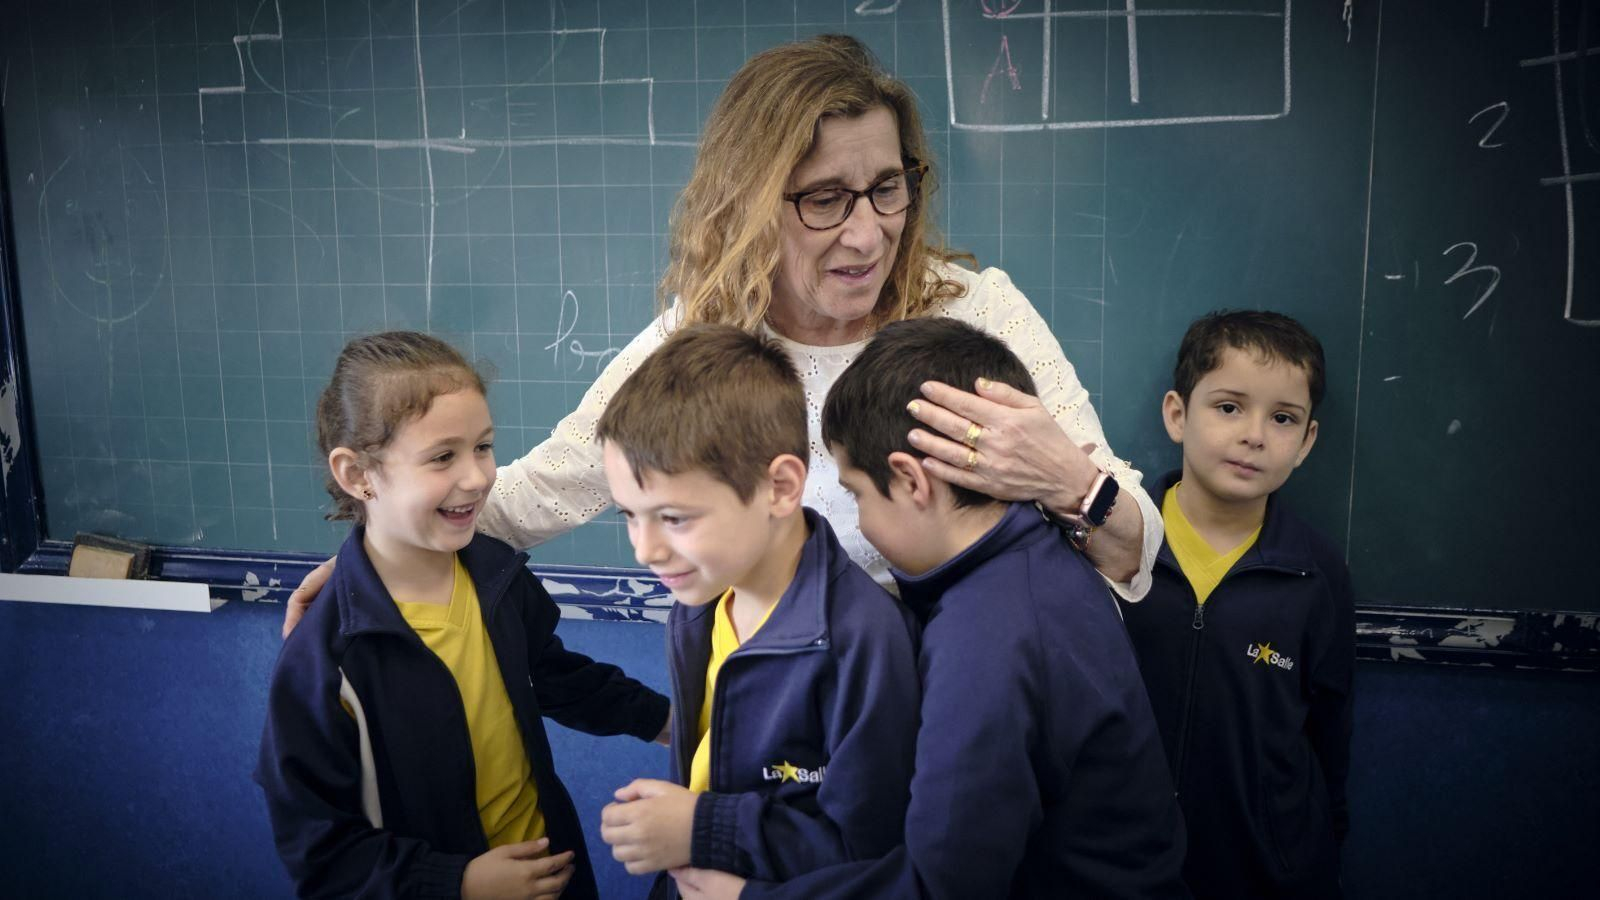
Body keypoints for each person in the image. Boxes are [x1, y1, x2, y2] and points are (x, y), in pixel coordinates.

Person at [282, 33, 1159, 634]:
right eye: (823, 199)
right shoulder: (703, 340)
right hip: (790, 721)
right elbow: (528, 500)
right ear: (750, 199)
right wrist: (374, 561)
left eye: (888, 187)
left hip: (976, 704)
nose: (867, 233)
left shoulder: (974, 313)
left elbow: (1138, 548)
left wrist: (1073, 484)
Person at [674, 318, 1188, 900]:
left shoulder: (986, 638)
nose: (859, 522)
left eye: (856, 494)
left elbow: (939, 887)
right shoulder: (1036, 556)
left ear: (911, 480)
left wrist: (743, 898)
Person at [256, 332, 671, 899]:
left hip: (552, 876)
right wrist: (461, 882)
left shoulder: (494, 575)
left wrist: (665, 721)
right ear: (358, 476)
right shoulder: (326, 660)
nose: (477, 477)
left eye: (483, 446)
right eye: (442, 457)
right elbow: (321, 853)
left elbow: (552, 675)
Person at [590, 324, 921, 898]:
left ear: (780, 487)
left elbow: (867, 853)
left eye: (673, 518)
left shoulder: (863, 641)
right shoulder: (699, 602)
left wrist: (701, 828)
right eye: (628, 514)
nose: (645, 550)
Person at [1118, 311, 1355, 898]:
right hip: (1119, 864)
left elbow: (1330, 733)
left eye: (1282, 418)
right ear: (1177, 414)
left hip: (1262, 873)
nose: (1254, 435)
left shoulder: (1315, 574)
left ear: (1306, 442)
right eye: (1229, 407)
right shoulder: (1116, 542)